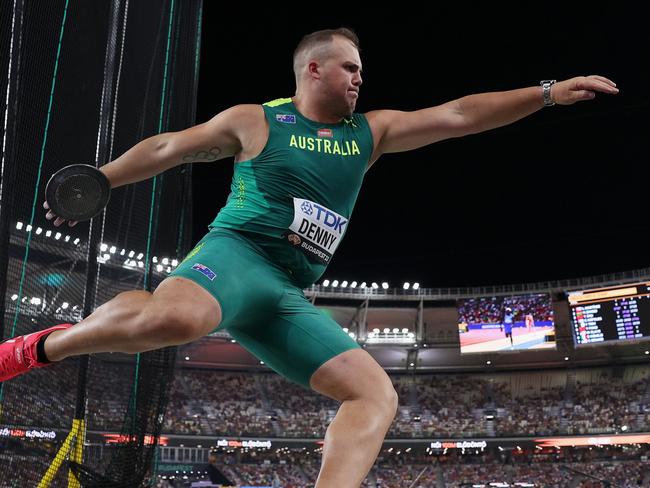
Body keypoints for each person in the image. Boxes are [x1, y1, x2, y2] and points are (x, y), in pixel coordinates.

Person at [0, 27, 618, 488]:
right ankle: (39, 346)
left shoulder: (369, 133)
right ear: (314, 70)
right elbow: (170, 145)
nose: (359, 79)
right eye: (349, 68)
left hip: (287, 294)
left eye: (362, 71)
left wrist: (544, 93)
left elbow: (458, 114)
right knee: (177, 321)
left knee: (374, 395)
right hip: (236, 257)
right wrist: (102, 180)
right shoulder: (256, 120)